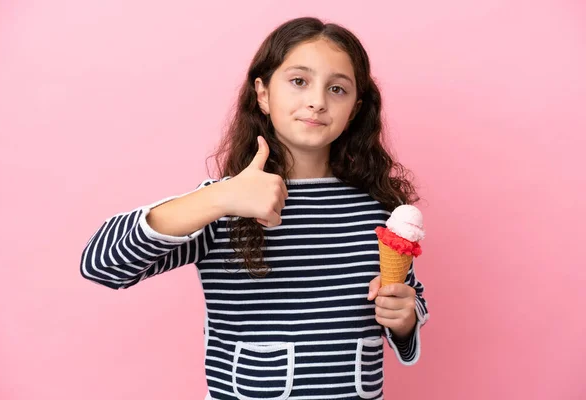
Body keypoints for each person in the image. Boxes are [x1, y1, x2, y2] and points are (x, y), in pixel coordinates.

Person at [81, 16, 429, 400]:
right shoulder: (224, 203)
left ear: (355, 109)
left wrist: (405, 317)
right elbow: (101, 265)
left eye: (337, 89)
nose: (317, 100)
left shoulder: (379, 209)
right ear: (262, 94)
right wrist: (219, 198)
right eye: (299, 81)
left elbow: (407, 298)